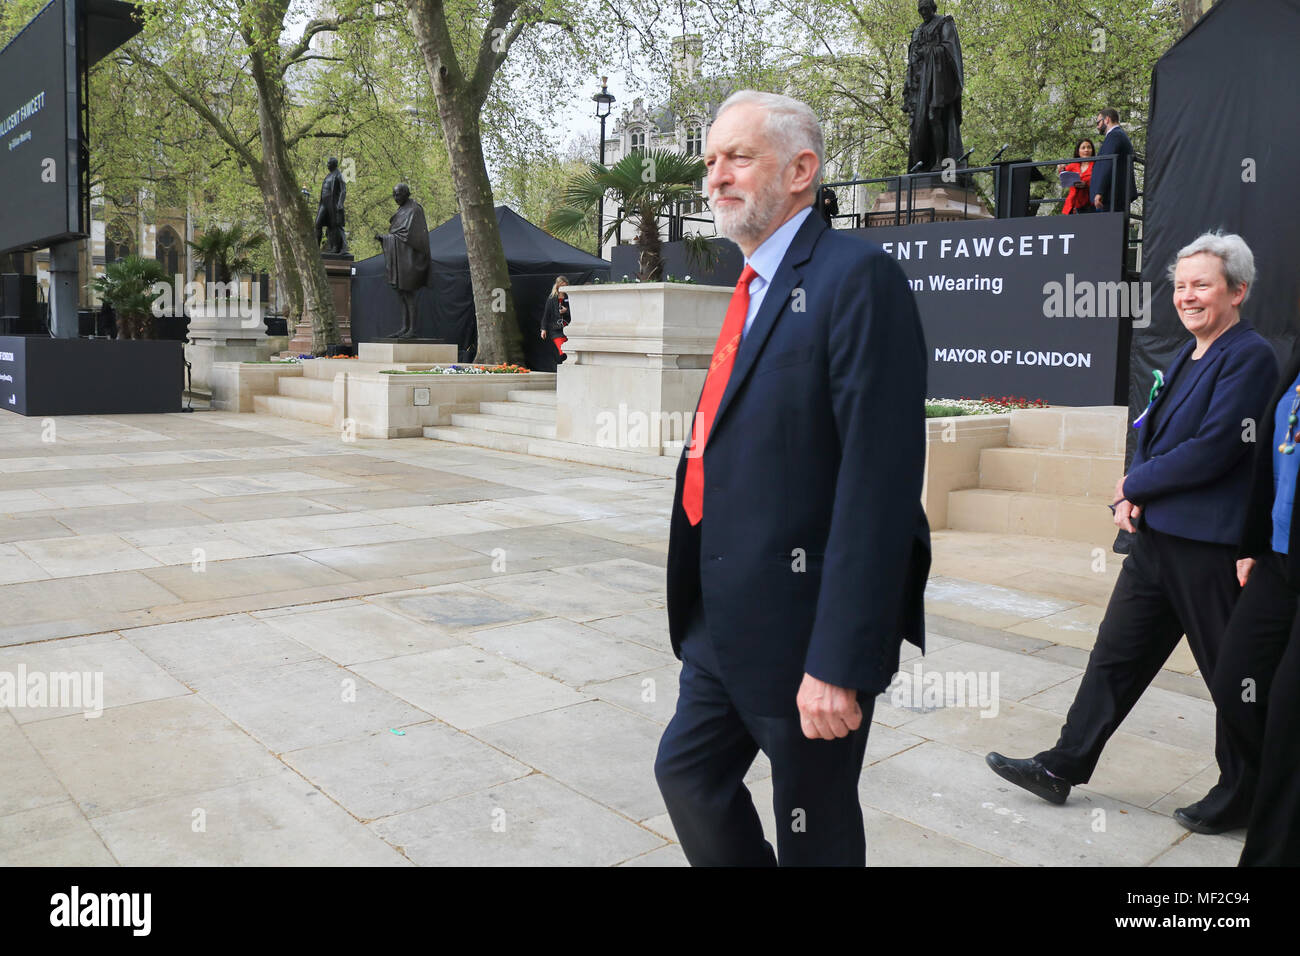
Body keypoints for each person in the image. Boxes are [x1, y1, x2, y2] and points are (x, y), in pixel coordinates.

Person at [653, 89, 931, 867]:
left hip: (807, 631)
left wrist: (838, 662)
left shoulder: (858, 278)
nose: (715, 177)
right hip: (721, 619)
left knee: (813, 827)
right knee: (688, 774)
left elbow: (878, 488)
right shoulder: (751, 285)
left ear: (801, 169)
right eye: (710, 161)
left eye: (737, 157)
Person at [986, 232, 1277, 831]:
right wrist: (1133, 494)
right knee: (1114, 657)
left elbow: (1217, 448)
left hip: (1210, 548)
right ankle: (1061, 766)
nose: (1187, 297)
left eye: (1202, 285)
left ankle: (1248, 794)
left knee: (1233, 676)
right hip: (1157, 543)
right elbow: (1156, 437)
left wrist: (1134, 487)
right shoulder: (1186, 355)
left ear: (1237, 291)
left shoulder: (1249, 356)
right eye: (1179, 286)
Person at [1198, 294, 1300, 863]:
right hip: (1277, 561)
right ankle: (1269, 795)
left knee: (1288, 715)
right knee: (1236, 678)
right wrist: (1255, 543)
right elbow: (1272, 452)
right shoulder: (1294, 359)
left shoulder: (1250, 353)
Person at [1092, 108, 1138, 212]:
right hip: (1113, 197)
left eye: (1098, 122)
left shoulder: (1114, 136)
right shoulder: (1119, 135)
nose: (1097, 126)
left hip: (1110, 198)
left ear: (1107, 119)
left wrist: (1100, 192)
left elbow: (1107, 164)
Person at [1057, 138, 1096, 216]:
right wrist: (1060, 168)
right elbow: (1063, 174)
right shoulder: (1073, 165)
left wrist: (1086, 185)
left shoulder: (1096, 165)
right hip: (1071, 206)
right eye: (1083, 148)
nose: (1086, 150)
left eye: (1089, 147)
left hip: (1088, 206)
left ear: (1092, 150)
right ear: (1078, 151)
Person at [540, 275, 570, 365]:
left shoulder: (569, 297)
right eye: (562, 286)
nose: (564, 288)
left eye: (565, 286)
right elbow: (546, 315)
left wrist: (566, 311)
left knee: (569, 351)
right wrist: (543, 329)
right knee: (562, 351)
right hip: (556, 329)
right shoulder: (551, 299)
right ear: (558, 286)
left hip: (567, 328)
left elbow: (574, 312)